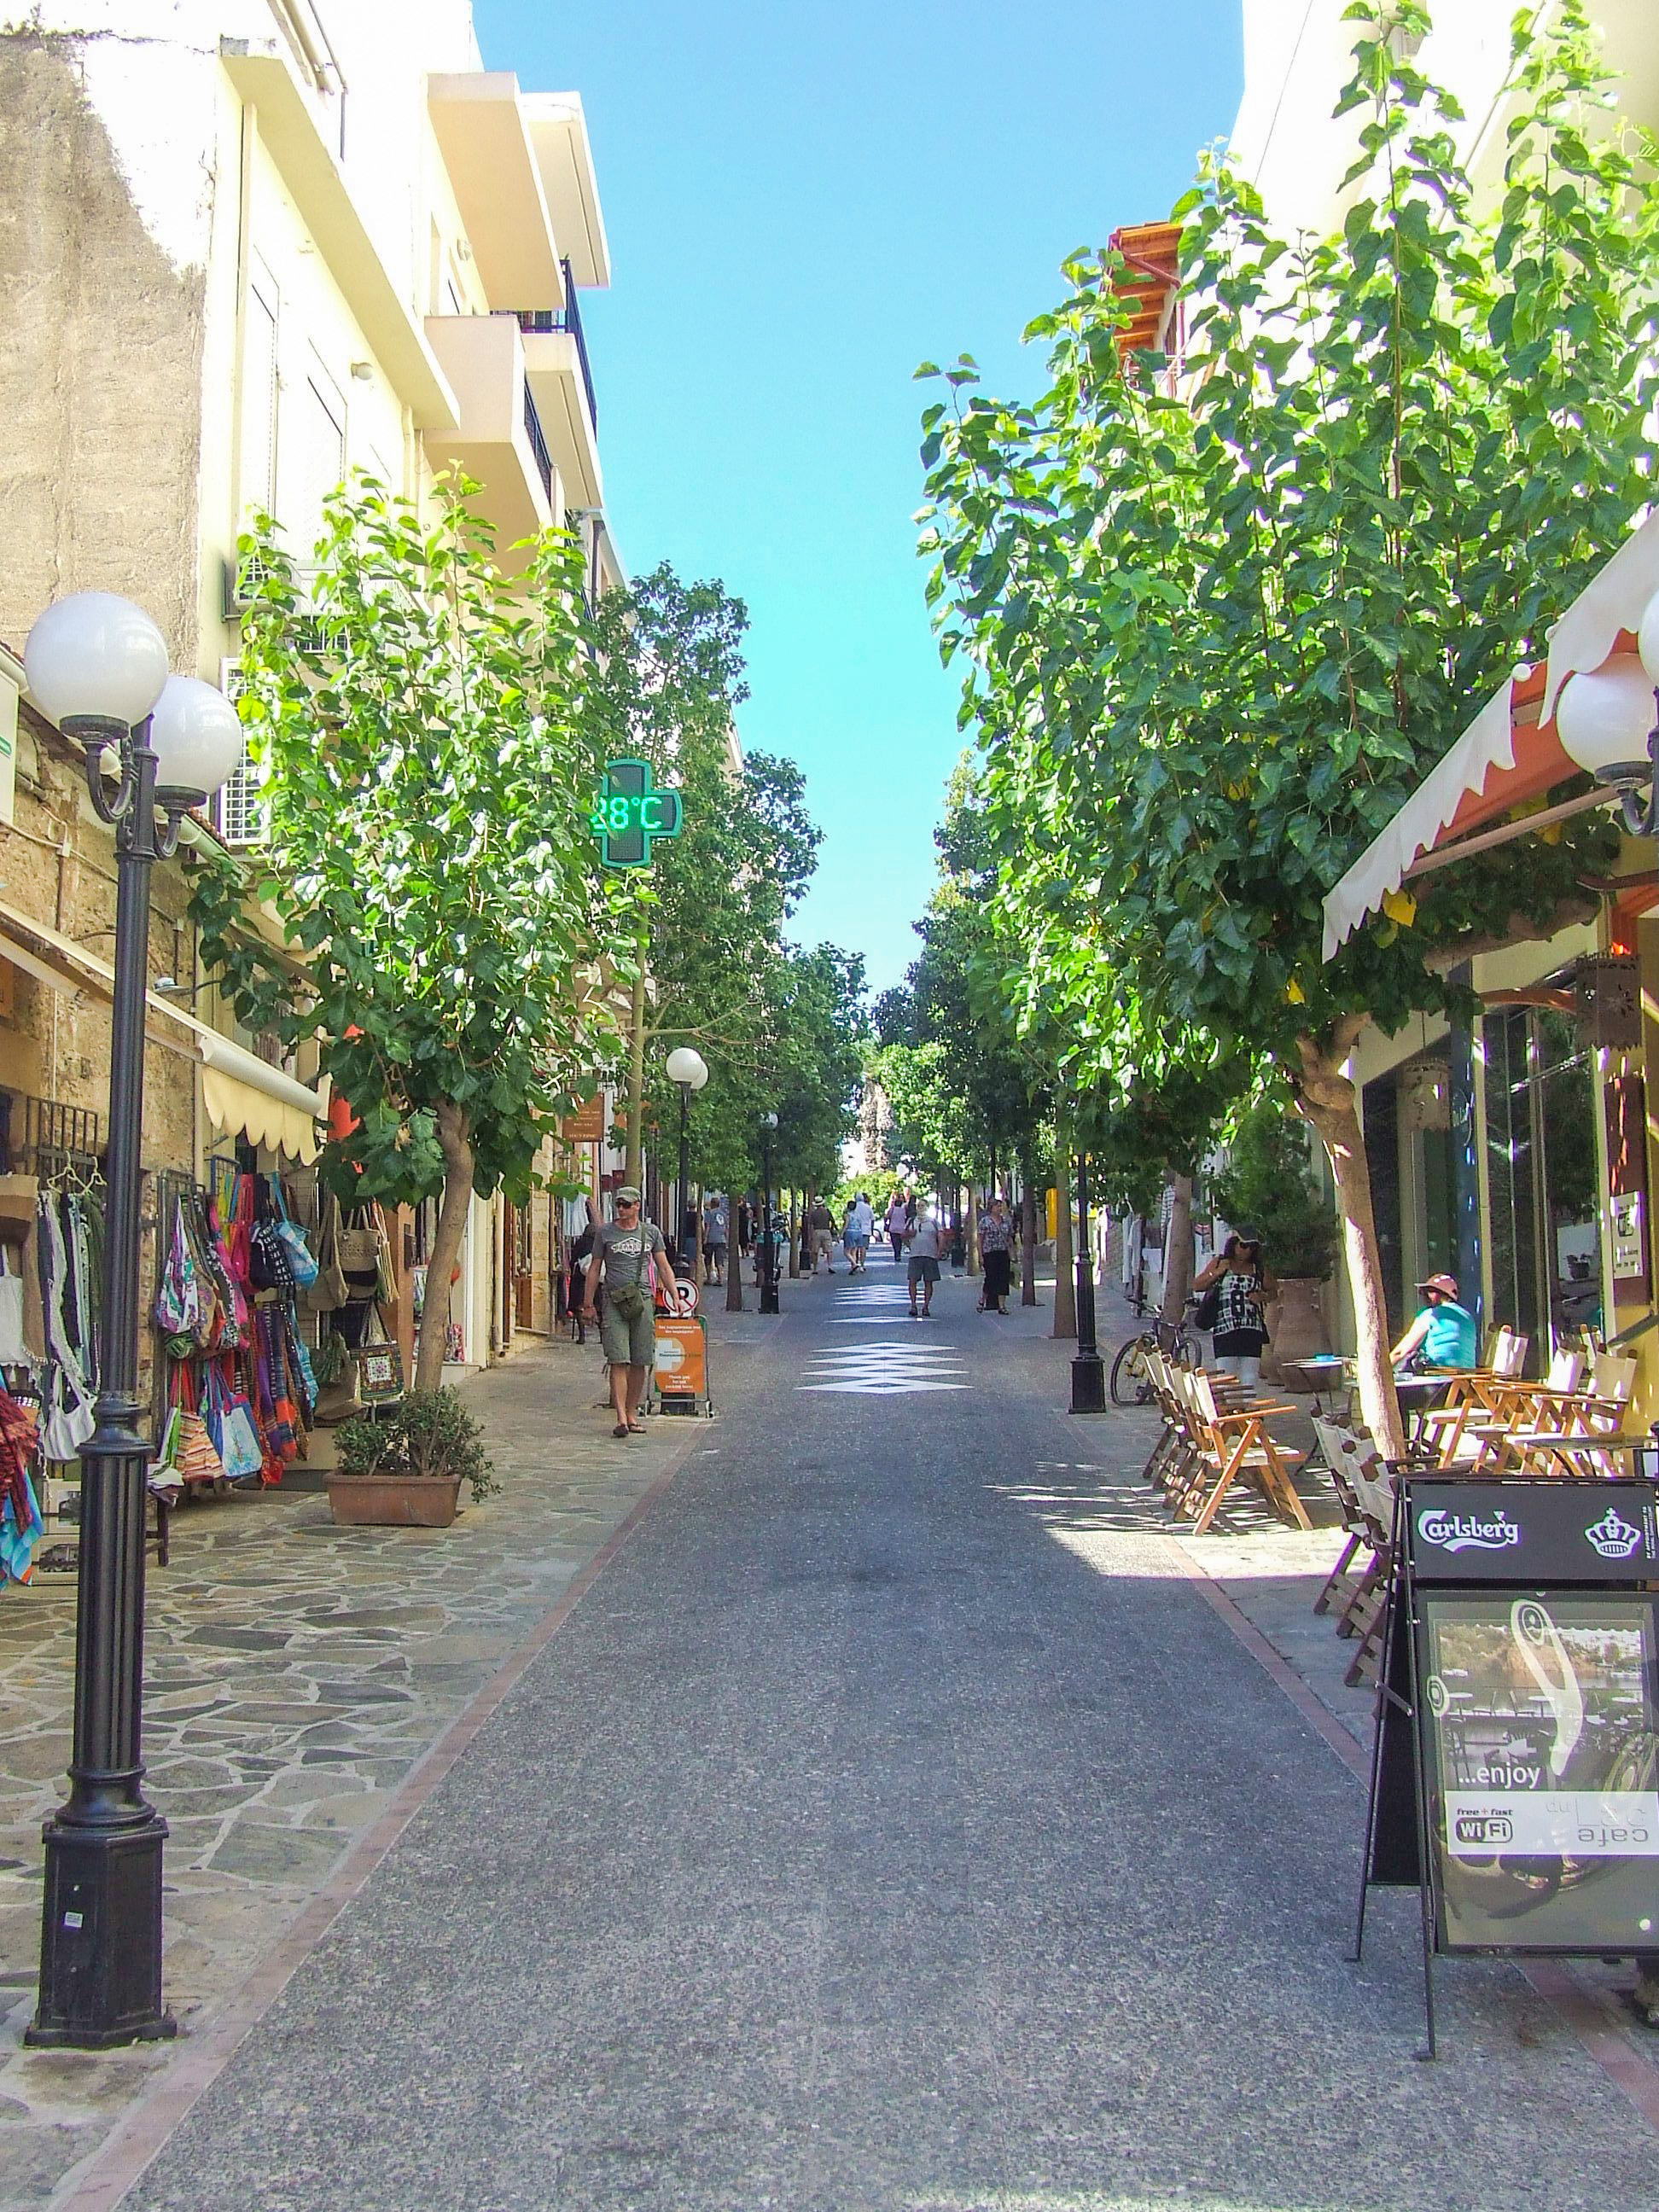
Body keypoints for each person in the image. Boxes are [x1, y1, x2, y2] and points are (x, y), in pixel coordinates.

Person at [580, 1187, 666, 1439]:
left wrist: (674, 1295)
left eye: (626, 1205)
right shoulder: (605, 1233)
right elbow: (595, 1268)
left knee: (641, 1360)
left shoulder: (650, 1233)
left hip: (642, 1300)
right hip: (613, 1300)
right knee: (619, 1358)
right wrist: (588, 1303)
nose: (621, 1209)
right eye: (619, 1204)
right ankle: (620, 1418)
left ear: (637, 1206)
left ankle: (631, 1412)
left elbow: (663, 1265)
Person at [1193, 1226, 1274, 1389]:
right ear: (1234, 1245)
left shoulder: (1257, 1268)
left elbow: (1274, 1291)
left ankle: (1248, 1410)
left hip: (1251, 1329)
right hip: (1225, 1330)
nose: (1247, 1251)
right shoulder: (1219, 1262)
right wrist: (1215, 1273)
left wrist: (1262, 1297)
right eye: (1243, 1246)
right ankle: (1229, 1410)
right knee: (1226, 1376)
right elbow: (1197, 1285)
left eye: (1252, 1247)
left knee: (1249, 1376)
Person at [1391, 1272, 1477, 1371]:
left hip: (1439, 1380)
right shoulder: (1468, 1317)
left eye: (1427, 1293)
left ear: (1435, 1294)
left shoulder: (1431, 1314)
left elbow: (1401, 1351)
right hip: (1468, 1380)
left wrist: (1383, 1366)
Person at [906, 1202, 946, 1318]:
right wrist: (909, 1239)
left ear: (927, 1208)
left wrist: (939, 1251)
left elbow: (941, 1236)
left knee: (929, 1282)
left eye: (922, 1206)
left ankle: (926, 1306)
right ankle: (913, 1305)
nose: (920, 1208)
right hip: (915, 1255)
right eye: (918, 1206)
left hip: (930, 1255)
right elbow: (903, 1235)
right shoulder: (911, 1221)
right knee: (912, 1281)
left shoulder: (933, 1222)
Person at [978, 1195, 1014, 1314]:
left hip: (1003, 1253)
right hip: (990, 1253)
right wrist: (980, 1255)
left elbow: (1009, 1238)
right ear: (991, 1208)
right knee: (991, 1278)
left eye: (1000, 1206)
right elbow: (980, 1239)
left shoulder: (1005, 1221)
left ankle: (1002, 1306)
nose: (999, 1208)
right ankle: (982, 1300)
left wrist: (1012, 1253)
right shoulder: (985, 1221)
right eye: (997, 1206)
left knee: (1003, 1279)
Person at [843, 1190, 873, 1272]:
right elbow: (872, 1219)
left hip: (853, 1230)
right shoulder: (868, 1207)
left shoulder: (854, 1209)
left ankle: (854, 1264)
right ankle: (862, 1265)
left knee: (853, 1250)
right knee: (863, 1249)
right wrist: (872, 1230)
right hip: (865, 1230)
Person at [702, 1193, 729, 1285]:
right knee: (719, 1260)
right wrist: (726, 1239)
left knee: (708, 1258)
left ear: (712, 1204)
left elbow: (708, 1226)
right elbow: (726, 1227)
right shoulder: (723, 1214)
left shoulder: (709, 1213)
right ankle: (720, 1279)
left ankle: (709, 1278)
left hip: (711, 1238)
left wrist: (705, 1238)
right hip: (721, 1239)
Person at [806, 1195, 836, 1274]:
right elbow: (833, 1221)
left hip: (817, 1231)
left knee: (815, 1251)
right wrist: (832, 1229)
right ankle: (830, 1266)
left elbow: (811, 1225)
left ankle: (815, 1268)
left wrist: (811, 1235)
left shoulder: (814, 1213)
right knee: (829, 1250)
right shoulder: (827, 1211)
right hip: (826, 1231)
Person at [886, 1187, 911, 1266]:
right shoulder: (904, 1210)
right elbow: (906, 1217)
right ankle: (898, 1253)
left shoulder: (892, 1209)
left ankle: (896, 1253)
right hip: (901, 1228)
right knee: (899, 1242)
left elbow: (888, 1216)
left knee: (894, 1242)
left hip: (893, 1228)